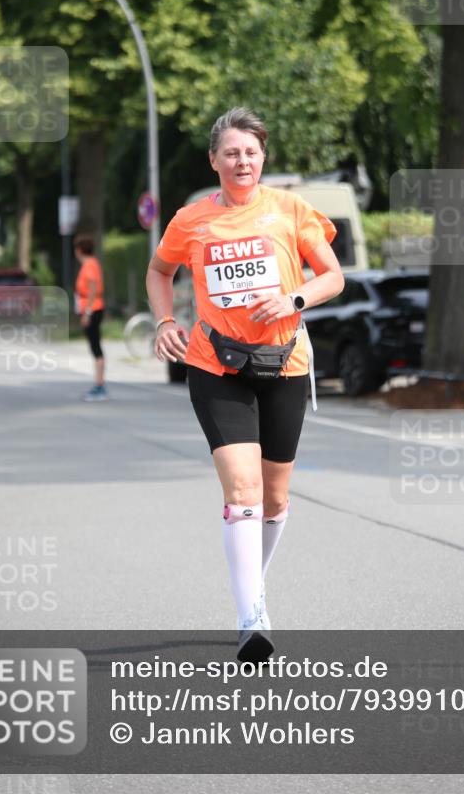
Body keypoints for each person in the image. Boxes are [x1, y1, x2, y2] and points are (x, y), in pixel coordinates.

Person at [146, 107, 344, 662]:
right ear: (214, 160)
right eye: (231, 153)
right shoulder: (191, 220)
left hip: (284, 364)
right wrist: (165, 321)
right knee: (243, 490)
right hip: (216, 364)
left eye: (251, 152)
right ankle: (251, 615)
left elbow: (333, 276)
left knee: (275, 497)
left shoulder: (290, 209)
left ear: (263, 158)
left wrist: (294, 298)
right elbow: (159, 271)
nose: (242, 161)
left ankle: (250, 584)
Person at [73, 234, 107, 402]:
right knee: (94, 347)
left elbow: (93, 288)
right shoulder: (89, 264)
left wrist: (87, 312)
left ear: (79, 250)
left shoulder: (90, 265)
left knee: (96, 347)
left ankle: (100, 386)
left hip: (93, 309)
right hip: (91, 309)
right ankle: (98, 385)